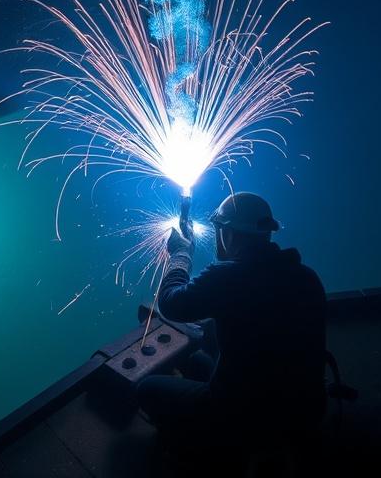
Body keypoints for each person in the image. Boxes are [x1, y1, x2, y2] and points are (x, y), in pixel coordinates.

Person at [136, 191, 327, 460]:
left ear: (229, 233)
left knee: (146, 388)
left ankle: (206, 448)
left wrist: (181, 255)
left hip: (247, 415)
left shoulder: (230, 277)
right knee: (197, 359)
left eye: (218, 229)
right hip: (305, 407)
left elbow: (171, 303)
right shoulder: (306, 276)